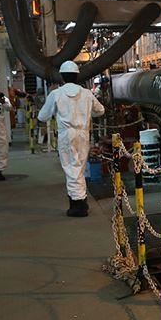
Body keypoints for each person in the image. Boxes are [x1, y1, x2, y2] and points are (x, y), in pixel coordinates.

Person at [38, 61, 105, 217]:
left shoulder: (56, 94)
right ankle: (81, 201)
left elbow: (42, 116)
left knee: (71, 168)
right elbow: (100, 110)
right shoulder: (87, 93)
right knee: (79, 167)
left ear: (62, 76)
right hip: (83, 134)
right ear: (77, 76)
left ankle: (78, 205)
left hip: (67, 135)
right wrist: (88, 112)